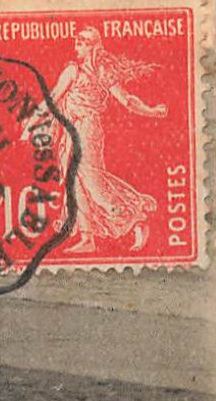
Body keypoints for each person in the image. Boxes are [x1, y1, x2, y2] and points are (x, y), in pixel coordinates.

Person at [40, 26, 167, 253]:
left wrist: (152, 111)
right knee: (75, 184)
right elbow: (53, 98)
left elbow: (127, 100)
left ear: (93, 46)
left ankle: (136, 218)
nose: (77, 46)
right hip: (71, 130)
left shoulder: (102, 71)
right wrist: (33, 120)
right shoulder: (71, 70)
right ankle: (87, 238)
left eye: (82, 42)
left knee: (92, 181)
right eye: (76, 42)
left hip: (88, 128)